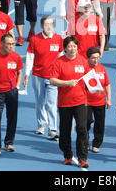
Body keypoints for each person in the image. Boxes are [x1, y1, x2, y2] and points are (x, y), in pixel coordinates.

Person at [49, 36, 90, 168]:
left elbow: (89, 78)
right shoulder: (59, 62)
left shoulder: (83, 61)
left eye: (74, 46)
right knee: (65, 130)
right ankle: (67, 155)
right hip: (65, 102)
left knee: (82, 128)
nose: (72, 49)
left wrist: (95, 89)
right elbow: (52, 80)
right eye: (70, 47)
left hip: (80, 101)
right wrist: (67, 82)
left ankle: (82, 157)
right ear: (65, 48)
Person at [24, 16, 64, 139]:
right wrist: (26, 75)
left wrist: (61, 74)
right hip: (38, 75)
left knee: (51, 103)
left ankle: (53, 129)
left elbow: (61, 56)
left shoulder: (58, 39)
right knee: (40, 101)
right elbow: (30, 58)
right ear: (41, 26)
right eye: (46, 24)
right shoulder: (35, 39)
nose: (49, 26)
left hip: (52, 77)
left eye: (51, 24)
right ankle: (41, 124)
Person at [0, 34, 23, 156]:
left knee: (12, 117)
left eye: (13, 44)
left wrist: (17, 86)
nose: (11, 46)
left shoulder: (16, 57)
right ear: (2, 44)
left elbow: (19, 72)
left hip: (12, 91)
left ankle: (9, 142)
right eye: (9, 44)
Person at [85, 46, 111, 153]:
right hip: (86, 101)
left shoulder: (102, 69)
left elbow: (107, 84)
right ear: (88, 58)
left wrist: (109, 99)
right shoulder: (84, 68)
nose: (95, 60)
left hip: (100, 101)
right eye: (93, 58)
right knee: (86, 121)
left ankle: (96, 144)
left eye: (97, 57)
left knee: (100, 124)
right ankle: (85, 142)